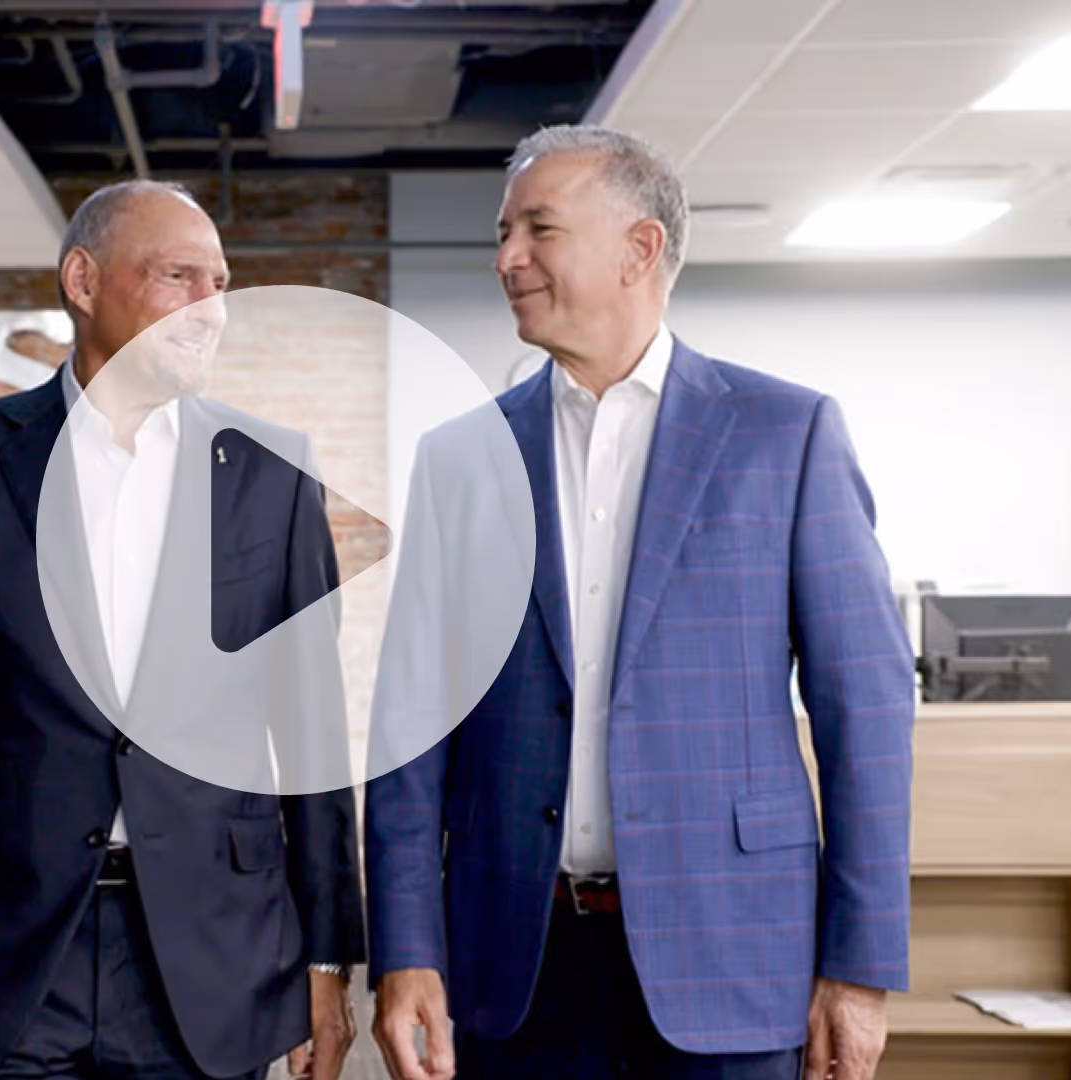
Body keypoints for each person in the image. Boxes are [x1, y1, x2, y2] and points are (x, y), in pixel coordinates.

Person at [366, 126, 916, 1080]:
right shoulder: (461, 458)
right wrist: (405, 948)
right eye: (503, 233)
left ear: (639, 248)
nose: (507, 258)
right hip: (513, 961)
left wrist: (859, 969)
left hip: (735, 955)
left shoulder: (785, 435)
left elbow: (864, 712)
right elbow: (410, 723)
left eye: (539, 229)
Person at [0, 180, 364, 1080]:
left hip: (211, 962)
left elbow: (313, 738)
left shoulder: (274, 474)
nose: (211, 308)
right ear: (82, 280)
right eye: (179, 276)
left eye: (221, 284)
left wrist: (329, 961)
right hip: (1, 955)